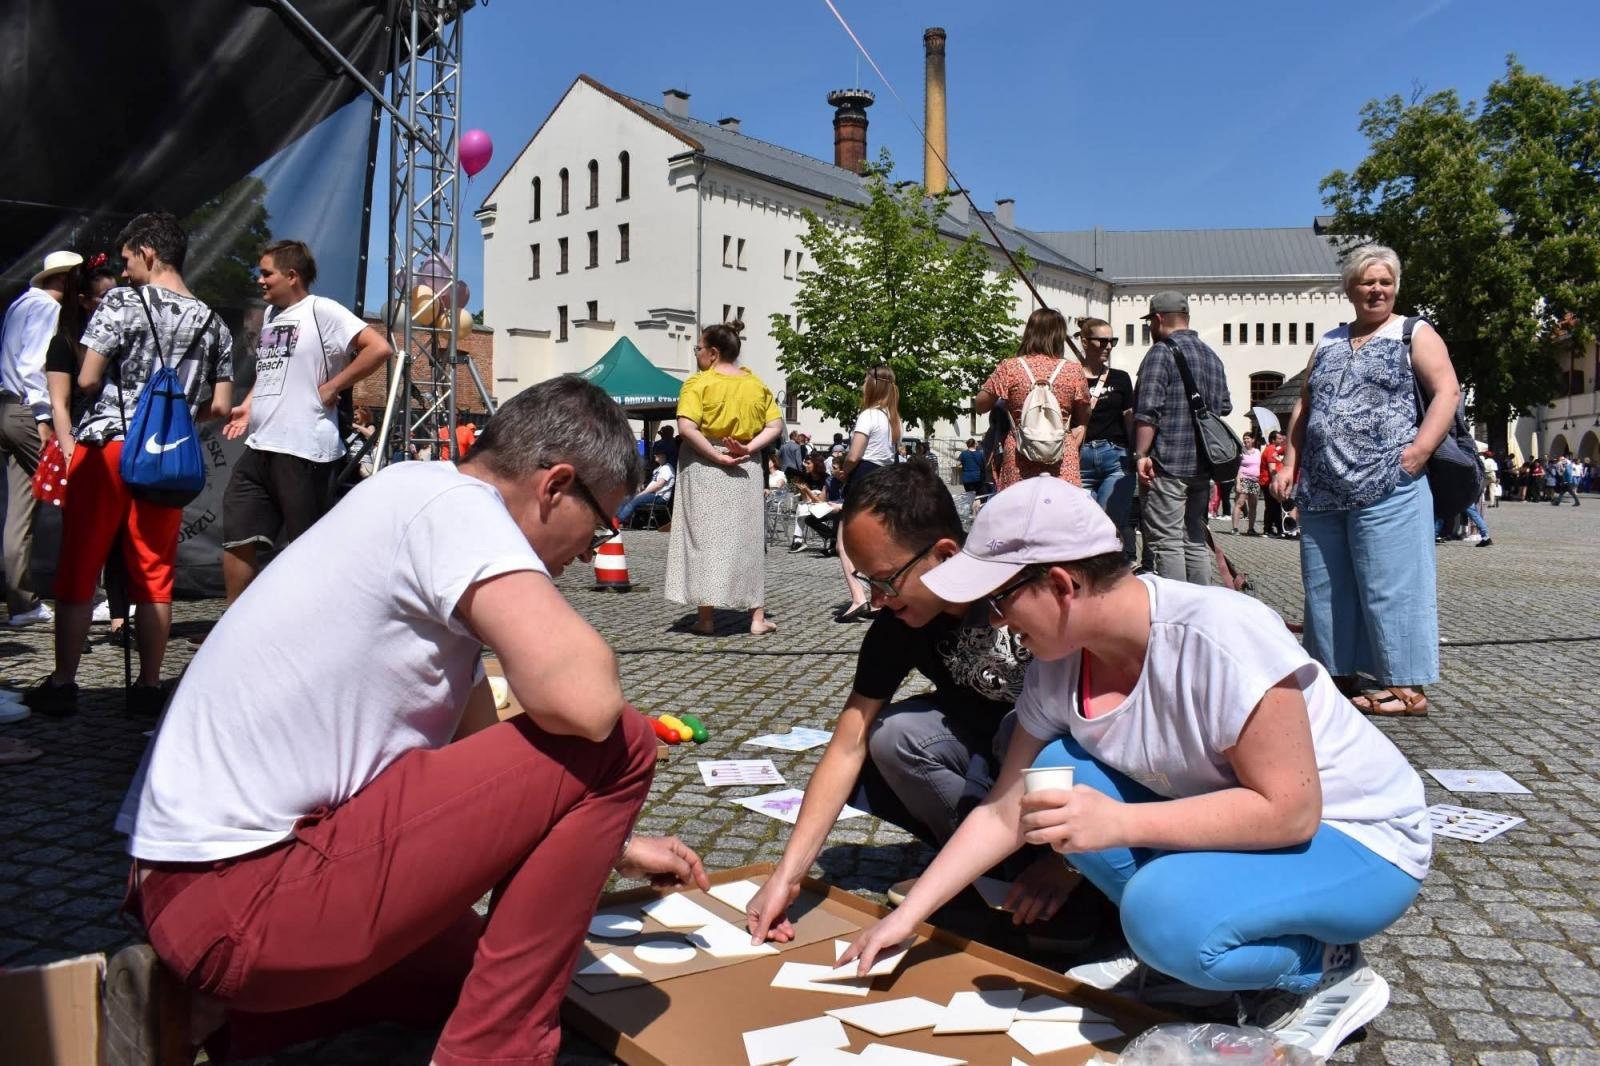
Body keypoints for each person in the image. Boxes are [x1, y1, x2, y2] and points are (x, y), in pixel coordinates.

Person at [106, 375, 708, 1066]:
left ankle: (196, 1013)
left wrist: (614, 844)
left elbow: (497, 769)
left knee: (472, 975)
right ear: (555, 485)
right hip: (242, 902)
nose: (589, 553)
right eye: (602, 524)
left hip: (189, 891)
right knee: (622, 743)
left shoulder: (408, 498)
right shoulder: (458, 509)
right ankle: (494, 1057)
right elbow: (587, 703)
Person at [840, 477, 1430, 1059]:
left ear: (1061, 584)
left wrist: (1119, 823)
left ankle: (1324, 969)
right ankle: (1185, 960)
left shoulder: (1220, 634)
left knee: (1161, 915)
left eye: (998, 602)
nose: (994, 622)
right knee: (1057, 772)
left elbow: (1291, 813)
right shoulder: (1058, 665)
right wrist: (908, 920)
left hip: (1359, 839)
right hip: (1256, 827)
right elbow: (1003, 808)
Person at [746, 463, 1079, 946]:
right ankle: (985, 868)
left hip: (1071, 778)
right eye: (867, 582)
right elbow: (848, 742)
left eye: (885, 581)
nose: (876, 600)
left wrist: (1067, 864)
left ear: (944, 555)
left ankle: (1067, 873)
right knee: (891, 734)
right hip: (992, 768)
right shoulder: (900, 624)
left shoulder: (1024, 600)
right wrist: (788, 876)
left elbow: (1113, 740)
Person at [24, 213, 234, 718]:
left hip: (110, 448)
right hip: (166, 459)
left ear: (148, 252)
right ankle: (147, 685)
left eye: (127, 260)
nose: (123, 271)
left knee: (81, 565)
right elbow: (222, 406)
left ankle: (63, 683)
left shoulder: (122, 302)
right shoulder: (214, 323)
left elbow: (88, 379)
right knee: (155, 574)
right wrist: (176, 414)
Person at [1275, 244, 1461, 718]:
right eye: (1367, 282)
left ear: (1395, 287)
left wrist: (1418, 453)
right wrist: (1290, 463)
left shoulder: (1413, 332)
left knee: (1390, 586)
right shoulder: (1329, 341)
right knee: (1326, 588)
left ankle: (1406, 686)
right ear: (1350, 289)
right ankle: (1336, 674)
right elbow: (1305, 405)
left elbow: (1447, 391)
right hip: (1323, 488)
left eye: (1385, 282)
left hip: (1386, 483)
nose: (1377, 290)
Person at [219, 240, 391, 603]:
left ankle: (315, 621)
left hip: (304, 451)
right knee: (238, 535)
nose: (260, 280)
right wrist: (248, 405)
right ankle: (235, 624)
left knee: (308, 548)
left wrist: (334, 386)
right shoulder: (271, 316)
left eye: (267, 273)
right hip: (260, 446)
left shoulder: (322, 310)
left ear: (292, 275)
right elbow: (273, 370)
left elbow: (379, 349)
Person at [665, 320, 784, 636]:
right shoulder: (755, 384)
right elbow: (775, 426)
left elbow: (686, 427)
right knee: (749, 539)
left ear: (713, 353)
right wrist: (749, 448)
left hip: (705, 465)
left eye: (699, 348)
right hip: (746, 464)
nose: (697, 354)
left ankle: (706, 619)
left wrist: (716, 455)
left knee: (704, 540)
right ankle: (756, 617)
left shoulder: (699, 383)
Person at [1, 249, 82, 628]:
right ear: (65, 280)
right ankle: (91, 595)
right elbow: (34, 366)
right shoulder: (48, 308)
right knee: (79, 497)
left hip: (7, 409)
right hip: (29, 413)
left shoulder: (20, 304)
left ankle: (22, 605)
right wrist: (44, 418)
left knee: (20, 509)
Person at [44, 261, 125, 640]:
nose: (114, 302)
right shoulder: (65, 342)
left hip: (116, 444)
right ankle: (79, 622)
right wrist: (68, 451)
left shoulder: (123, 338)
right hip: (79, 444)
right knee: (81, 541)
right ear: (83, 301)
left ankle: (119, 616)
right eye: (105, 297)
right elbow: (59, 404)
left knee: (121, 538)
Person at [1132, 291, 1232, 585]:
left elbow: (1148, 410)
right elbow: (1225, 406)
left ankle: (1176, 605)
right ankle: (1201, 603)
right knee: (1195, 540)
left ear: (1158, 318)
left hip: (1167, 462)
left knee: (1167, 541)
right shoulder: (1212, 356)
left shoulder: (1161, 353)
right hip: (1204, 464)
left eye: (1150, 322)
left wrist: (1141, 455)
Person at [975, 308, 1091, 490]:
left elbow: (980, 405)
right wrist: (1079, 425)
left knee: (1019, 505)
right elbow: (1084, 412)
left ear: (1029, 333)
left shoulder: (1010, 367)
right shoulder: (1073, 370)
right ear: (1060, 336)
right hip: (1060, 454)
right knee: (1062, 505)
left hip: (1019, 453)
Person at [834, 365, 901, 622]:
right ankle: (877, 600)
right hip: (884, 479)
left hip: (863, 477)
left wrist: (844, 472)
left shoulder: (868, 415)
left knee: (844, 542)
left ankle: (858, 597)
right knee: (875, 543)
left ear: (872, 385)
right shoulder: (893, 419)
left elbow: (854, 455)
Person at [1074, 316, 1136, 562]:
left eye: (1112, 341)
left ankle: (1113, 575)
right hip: (1079, 459)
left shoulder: (1120, 378)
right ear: (1085, 342)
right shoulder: (1070, 375)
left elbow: (1129, 418)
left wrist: (1136, 453)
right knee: (1083, 526)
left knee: (1111, 524)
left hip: (1115, 458)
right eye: (1102, 341)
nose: (1108, 346)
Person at [617, 441, 675, 526]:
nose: (655, 455)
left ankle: (617, 520)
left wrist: (643, 493)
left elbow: (659, 485)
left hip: (659, 497)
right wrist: (642, 488)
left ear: (664, 455)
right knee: (626, 498)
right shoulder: (659, 468)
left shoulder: (667, 468)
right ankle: (617, 518)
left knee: (635, 500)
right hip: (652, 494)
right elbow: (654, 483)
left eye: (657, 453)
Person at [789, 450, 832, 552]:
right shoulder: (806, 477)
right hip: (809, 505)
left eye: (808, 463)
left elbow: (821, 501)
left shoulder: (826, 478)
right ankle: (798, 539)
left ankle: (798, 539)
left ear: (816, 464)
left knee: (801, 508)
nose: (806, 466)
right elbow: (806, 499)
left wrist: (807, 490)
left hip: (824, 506)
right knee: (802, 506)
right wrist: (802, 490)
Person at [1233, 431, 1262, 535]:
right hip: (1243, 479)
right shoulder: (1240, 452)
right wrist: (1238, 483)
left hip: (1255, 480)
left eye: (1248, 438)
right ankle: (1235, 528)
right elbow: (1237, 468)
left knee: (1253, 506)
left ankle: (1251, 529)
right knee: (1239, 504)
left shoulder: (1257, 452)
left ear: (1253, 440)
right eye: (1244, 438)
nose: (1245, 440)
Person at [1260, 431, 1286, 536]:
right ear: (1273, 440)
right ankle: (1269, 529)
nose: (1281, 440)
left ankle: (1272, 529)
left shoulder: (1273, 449)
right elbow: (1272, 470)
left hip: (1270, 482)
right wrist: (1276, 483)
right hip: (1269, 482)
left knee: (1273, 506)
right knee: (1272, 506)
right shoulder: (1270, 450)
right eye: (1279, 438)